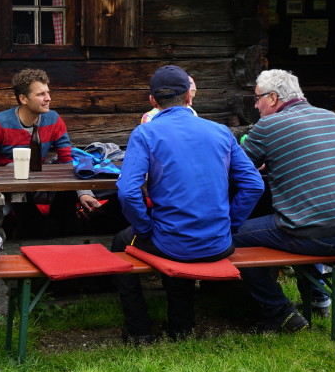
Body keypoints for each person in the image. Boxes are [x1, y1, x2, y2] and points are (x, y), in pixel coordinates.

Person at [111, 65, 264, 343]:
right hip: (220, 243)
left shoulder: (145, 133)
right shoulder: (220, 131)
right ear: (189, 98)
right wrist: (230, 224)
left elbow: (127, 192)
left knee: (123, 241)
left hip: (172, 243)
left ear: (153, 102)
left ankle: (139, 330)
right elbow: (254, 184)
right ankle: (181, 327)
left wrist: (144, 228)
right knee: (173, 238)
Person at [233, 69, 335, 332]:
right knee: (307, 211)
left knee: (233, 236)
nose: (255, 104)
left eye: (257, 98)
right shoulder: (331, 118)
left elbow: (237, 170)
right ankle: (317, 298)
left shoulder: (268, 126)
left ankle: (280, 314)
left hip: (316, 235)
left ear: (272, 97)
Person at [0, 68, 102, 237]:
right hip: (7, 187)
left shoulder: (54, 119)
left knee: (66, 201)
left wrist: (84, 192)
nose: (48, 98)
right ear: (23, 98)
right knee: (17, 178)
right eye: (41, 94)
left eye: (48, 92)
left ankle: (65, 241)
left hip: (36, 182)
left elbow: (67, 160)